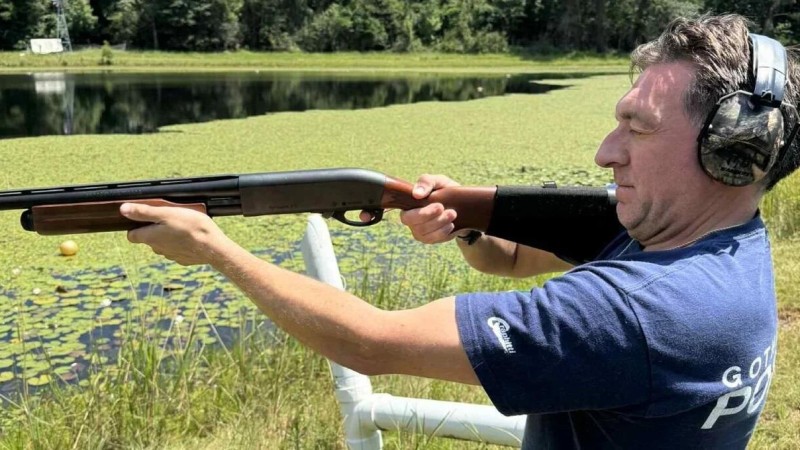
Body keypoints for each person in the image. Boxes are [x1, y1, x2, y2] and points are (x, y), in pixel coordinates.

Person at [119, 14, 798, 449]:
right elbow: (509, 261)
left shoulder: (637, 312)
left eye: (638, 128)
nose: (605, 152)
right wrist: (465, 225)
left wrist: (214, 249)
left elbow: (367, 342)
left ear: (732, 150)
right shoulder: (720, 245)